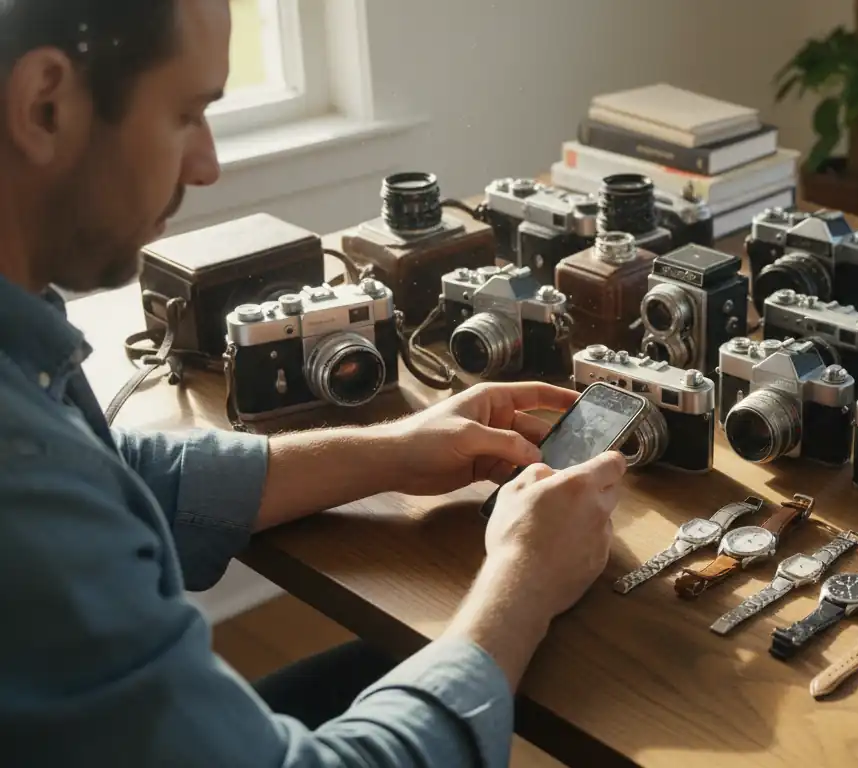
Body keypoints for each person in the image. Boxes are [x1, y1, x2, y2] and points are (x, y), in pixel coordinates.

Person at [0, 1, 628, 765]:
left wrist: (396, 448)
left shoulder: (23, 345)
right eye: (187, 114)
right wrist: (524, 578)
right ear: (46, 105)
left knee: (419, 658)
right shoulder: (25, 481)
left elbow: (118, 474)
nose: (206, 165)